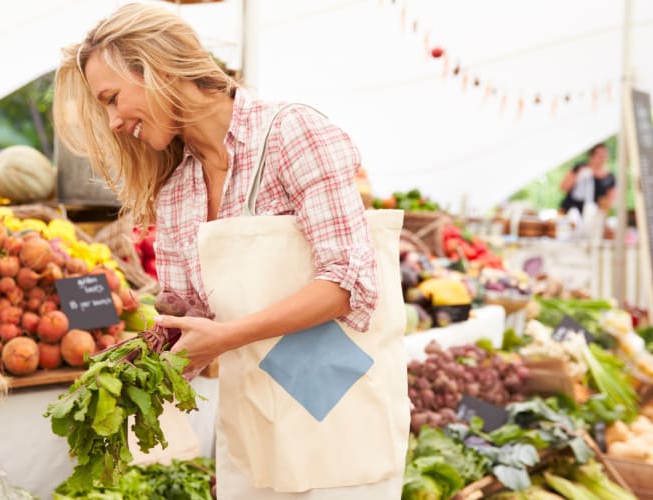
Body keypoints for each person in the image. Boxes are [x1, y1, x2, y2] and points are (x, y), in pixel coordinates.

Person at [53, 3, 407, 499]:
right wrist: (137, 357)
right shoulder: (177, 189)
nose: (112, 121)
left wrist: (225, 337)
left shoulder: (291, 134)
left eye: (112, 98)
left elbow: (348, 284)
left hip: (338, 414)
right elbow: (194, 320)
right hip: (255, 425)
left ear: (158, 67)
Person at [559, 142, 616, 215]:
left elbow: (610, 200)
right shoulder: (580, 168)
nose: (602, 158)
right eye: (599, 155)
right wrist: (578, 177)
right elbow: (563, 187)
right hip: (570, 210)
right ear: (591, 155)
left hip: (592, 214)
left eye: (604, 155)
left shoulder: (609, 177)